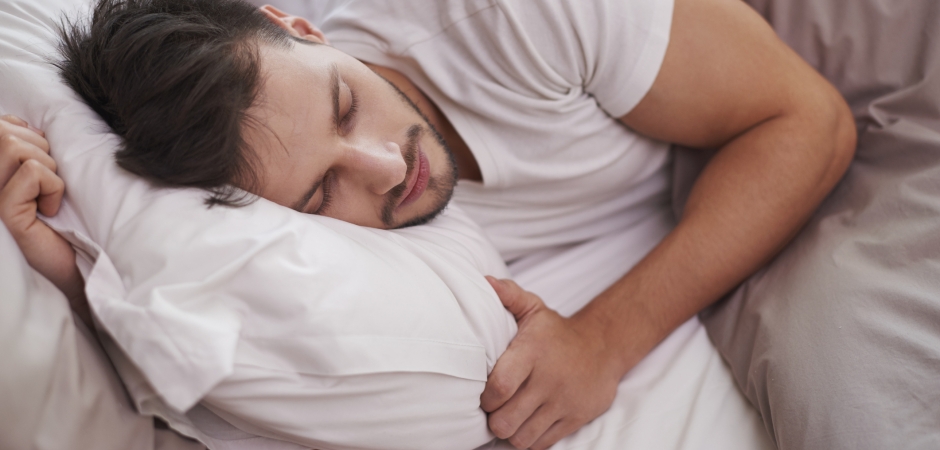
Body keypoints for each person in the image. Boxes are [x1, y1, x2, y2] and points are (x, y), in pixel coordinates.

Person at [0, 0, 857, 448]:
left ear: (294, 25)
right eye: (316, 194)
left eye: (344, 105)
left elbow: (807, 121)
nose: (382, 165)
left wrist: (605, 339)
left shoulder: (514, 18)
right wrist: (69, 262)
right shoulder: (290, 242)